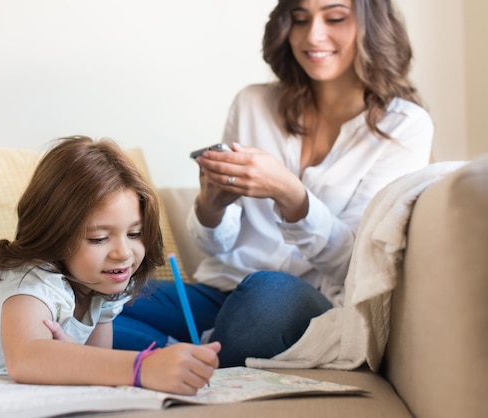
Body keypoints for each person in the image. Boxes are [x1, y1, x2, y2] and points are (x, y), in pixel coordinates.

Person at [112, 0, 434, 367]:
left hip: (301, 303)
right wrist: (211, 205)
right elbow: (215, 247)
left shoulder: (405, 127)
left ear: (372, 26)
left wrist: (291, 194)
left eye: (335, 17)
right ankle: (189, 356)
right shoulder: (252, 104)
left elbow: (357, 265)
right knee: (100, 299)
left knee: (266, 294)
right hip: (220, 293)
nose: (313, 34)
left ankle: (172, 354)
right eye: (299, 19)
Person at [0, 136, 220, 395]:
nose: (123, 253)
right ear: (55, 234)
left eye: (135, 233)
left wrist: (71, 358)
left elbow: (96, 366)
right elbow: (26, 358)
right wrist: (141, 367)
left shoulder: (106, 283)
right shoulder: (32, 281)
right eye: (99, 238)